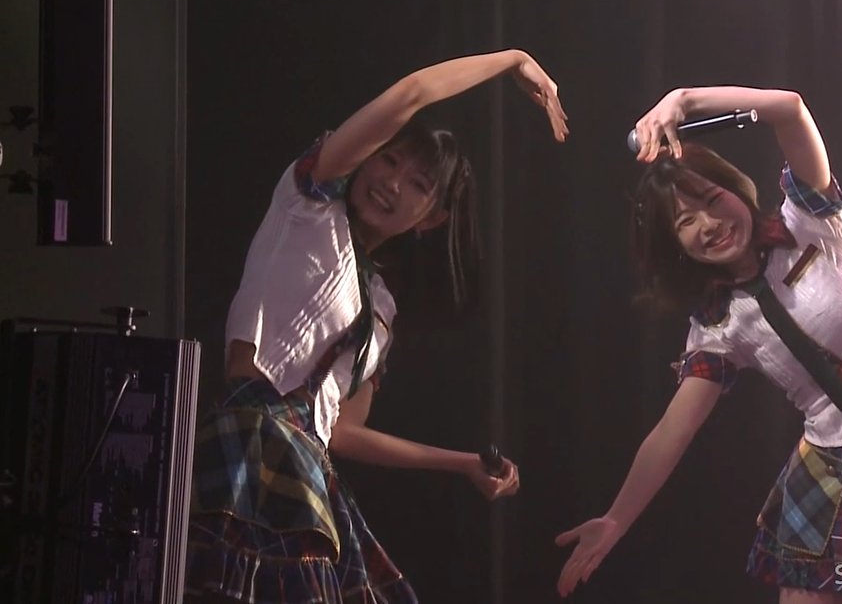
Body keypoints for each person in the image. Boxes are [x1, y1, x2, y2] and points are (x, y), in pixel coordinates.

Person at [555, 86, 842, 603]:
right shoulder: (718, 325)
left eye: (712, 200)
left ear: (735, 190)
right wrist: (616, 519)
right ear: (674, 245)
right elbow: (671, 433)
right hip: (829, 472)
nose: (710, 223)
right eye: (686, 222)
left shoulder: (811, 219)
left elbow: (790, 109)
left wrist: (684, 101)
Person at [184, 49, 569, 603]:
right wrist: (513, 61)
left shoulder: (383, 311)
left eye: (418, 184)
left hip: (306, 470)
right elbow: (412, 94)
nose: (392, 183)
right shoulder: (309, 203)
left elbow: (342, 432)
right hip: (247, 446)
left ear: (432, 219)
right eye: (388, 161)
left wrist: (462, 463)